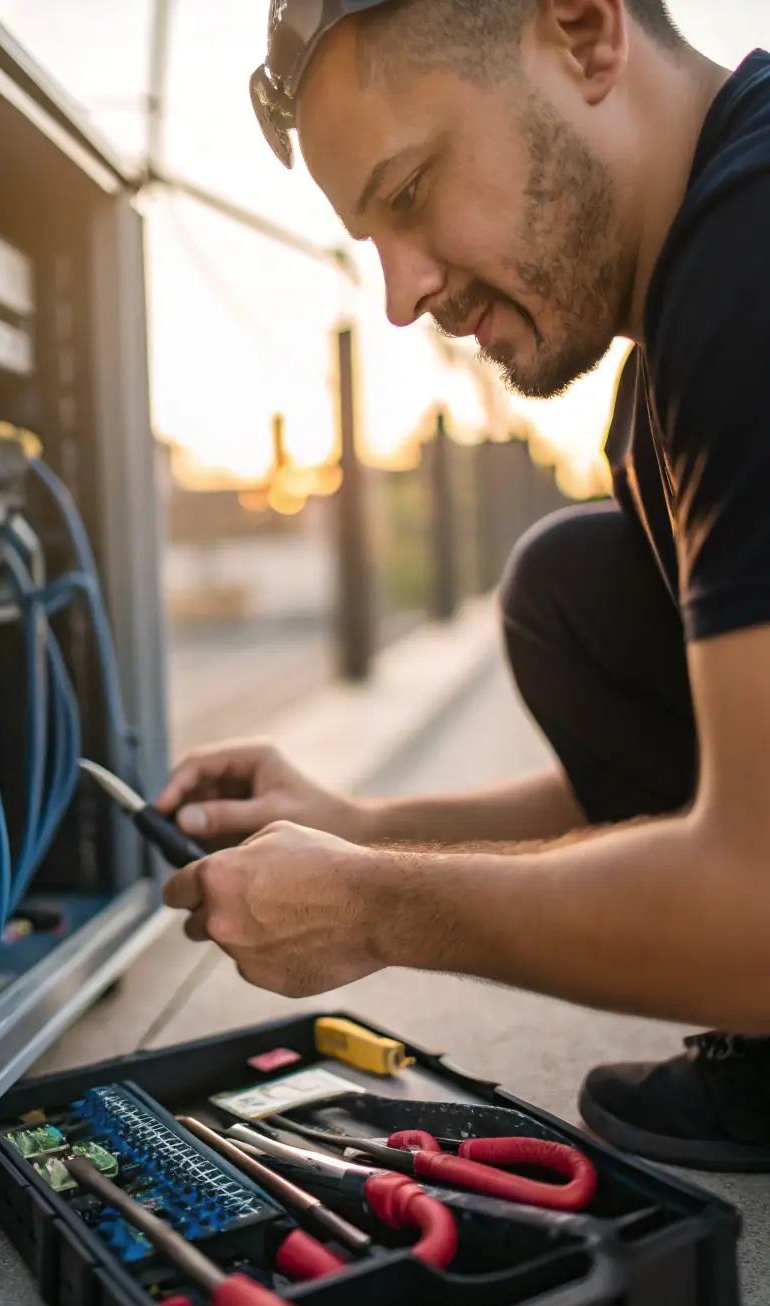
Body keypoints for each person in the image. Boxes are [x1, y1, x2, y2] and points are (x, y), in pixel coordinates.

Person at [158, 0, 770, 1173]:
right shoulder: (671, 354)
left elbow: (756, 896)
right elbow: (702, 794)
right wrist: (361, 831)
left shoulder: (750, 273)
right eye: (368, 239)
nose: (399, 296)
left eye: (411, 190)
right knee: (571, 589)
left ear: (586, 35)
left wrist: (379, 907)